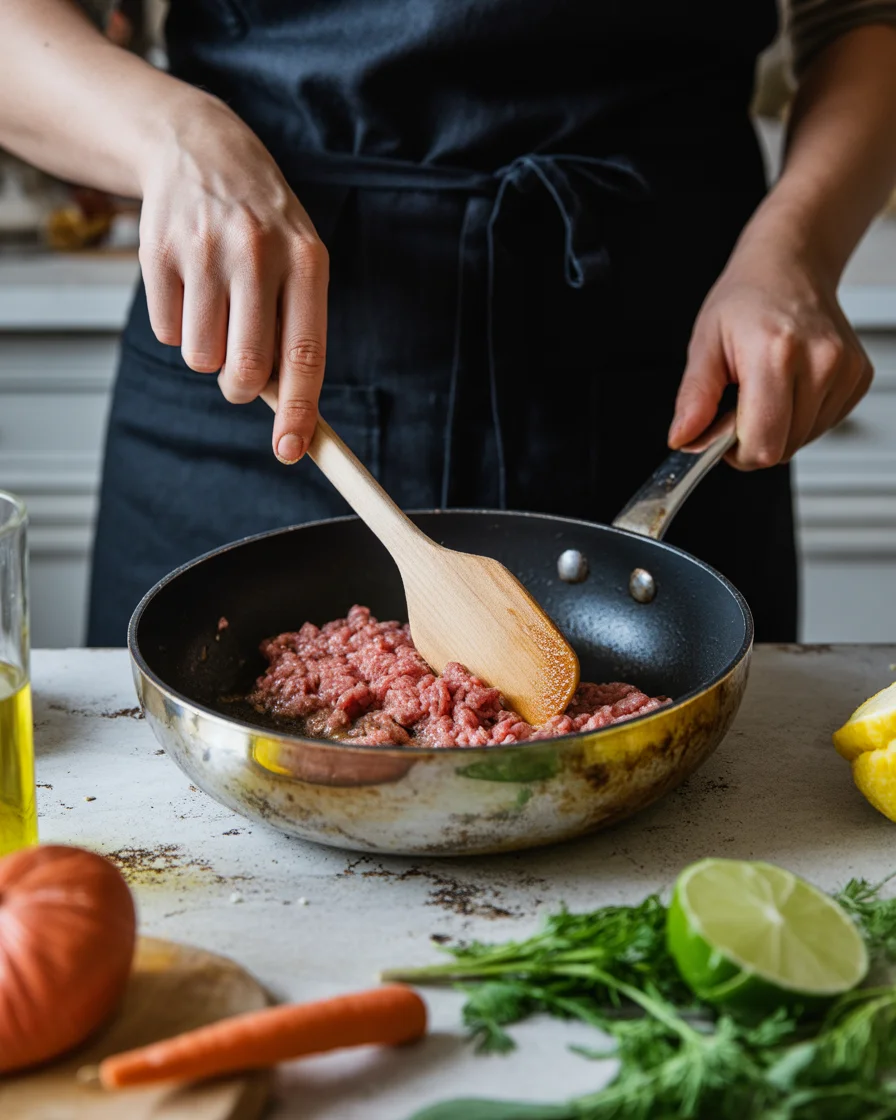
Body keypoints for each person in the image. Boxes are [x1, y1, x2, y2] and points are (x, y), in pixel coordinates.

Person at [1, 2, 895, 647]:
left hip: (669, 341)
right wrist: (171, 133)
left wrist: (800, 251)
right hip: (248, 334)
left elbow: (863, 17)